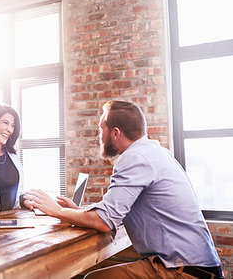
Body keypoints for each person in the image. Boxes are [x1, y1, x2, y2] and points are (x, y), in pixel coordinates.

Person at [24, 100, 223, 278]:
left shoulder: (134, 158)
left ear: (116, 133)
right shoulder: (155, 152)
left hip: (183, 272)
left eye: (100, 129)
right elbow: (115, 211)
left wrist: (57, 211)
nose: (98, 136)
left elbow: (104, 222)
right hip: (199, 268)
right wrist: (77, 211)